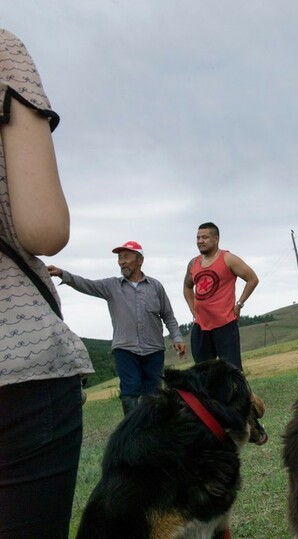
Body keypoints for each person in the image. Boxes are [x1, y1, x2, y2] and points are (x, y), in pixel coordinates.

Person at [0, 28, 94, 538]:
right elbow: (44, 229)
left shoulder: (153, 288)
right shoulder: (2, 51)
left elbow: (168, 307)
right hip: (16, 363)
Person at [48, 241, 187, 416]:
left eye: (126, 257)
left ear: (140, 260)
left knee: (155, 393)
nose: (122, 262)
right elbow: (86, 284)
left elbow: (168, 316)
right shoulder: (111, 286)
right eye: (120, 258)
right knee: (130, 391)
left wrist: (178, 338)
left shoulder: (155, 287)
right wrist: (63, 274)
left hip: (153, 349)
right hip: (125, 349)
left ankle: (154, 432)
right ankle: (132, 432)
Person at [183, 222, 259, 371]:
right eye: (198, 238)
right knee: (202, 372)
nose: (200, 241)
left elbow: (252, 279)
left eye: (204, 237)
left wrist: (239, 304)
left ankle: (239, 395)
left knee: (232, 371)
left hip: (224, 324)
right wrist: (193, 310)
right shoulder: (193, 263)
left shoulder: (228, 259)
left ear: (216, 239)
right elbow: (187, 287)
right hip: (201, 327)